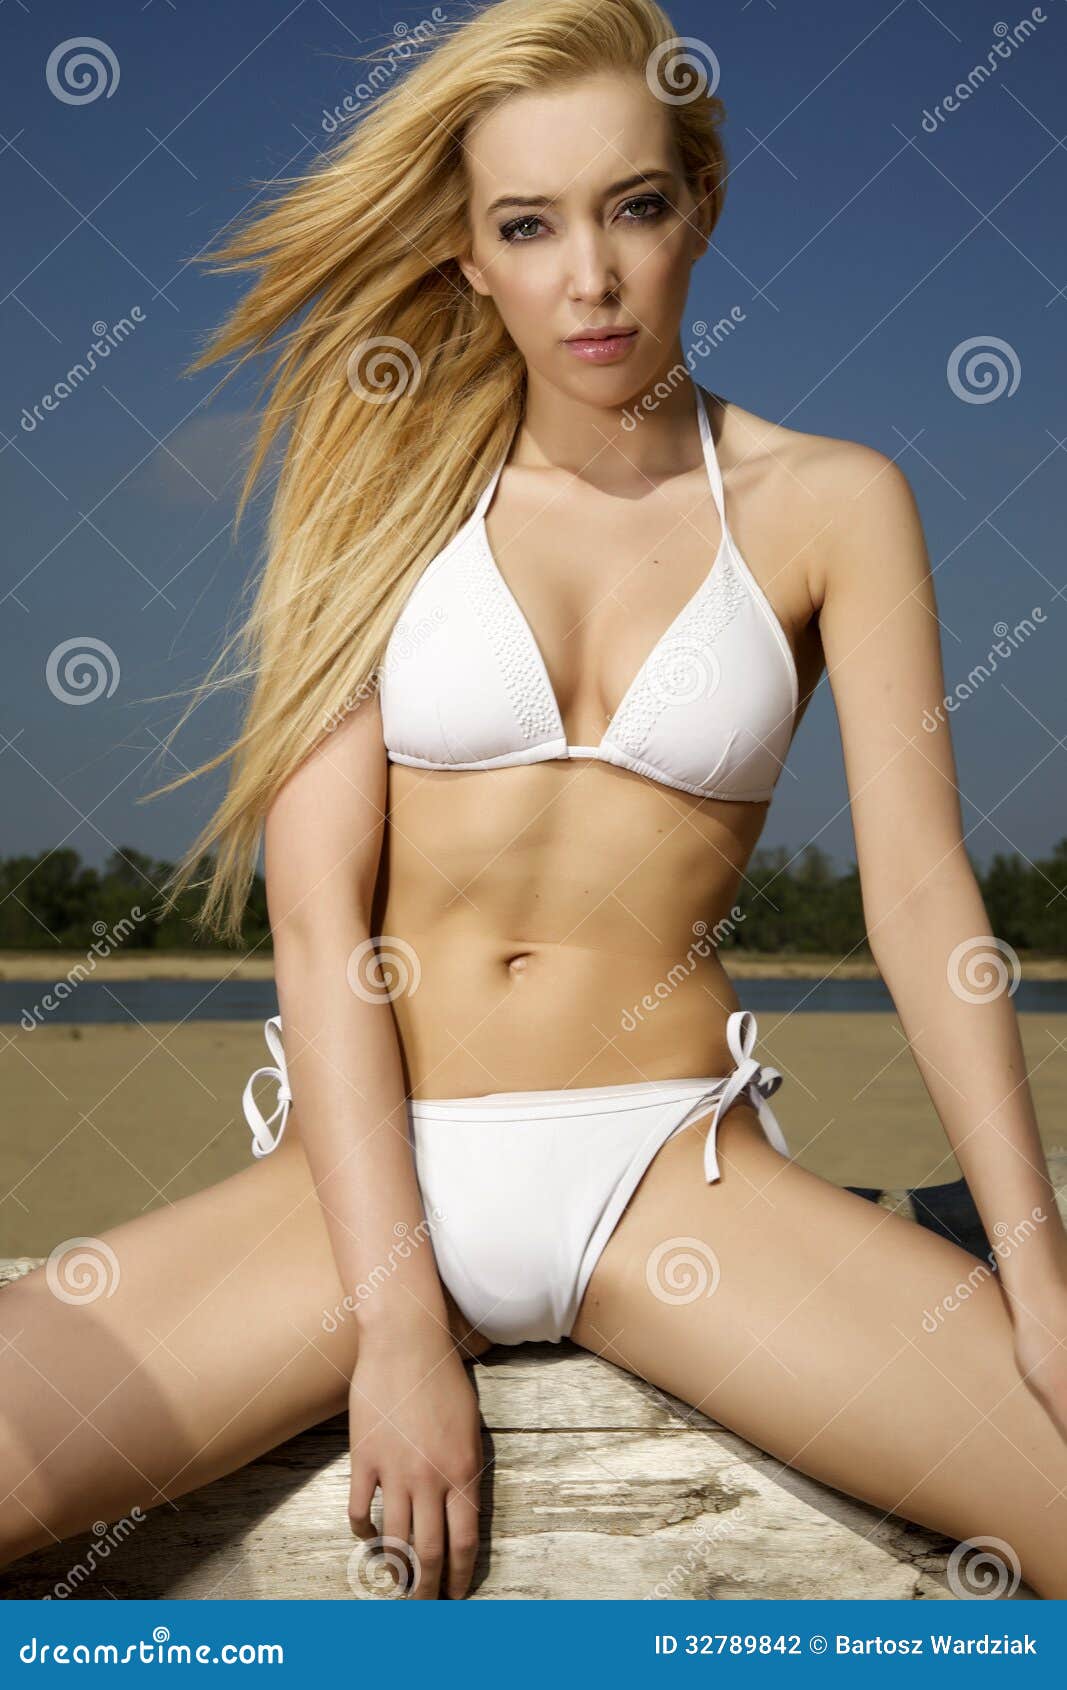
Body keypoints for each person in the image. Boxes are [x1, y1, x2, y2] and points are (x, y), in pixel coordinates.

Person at [2, 0, 1065, 1604]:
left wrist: (1035, 1266)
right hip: (364, 1176)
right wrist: (395, 1319)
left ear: (699, 202)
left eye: (635, 206)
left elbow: (920, 900)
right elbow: (316, 911)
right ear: (468, 253)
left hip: (676, 1178)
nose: (591, 276)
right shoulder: (378, 490)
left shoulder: (833, 503)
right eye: (528, 224)